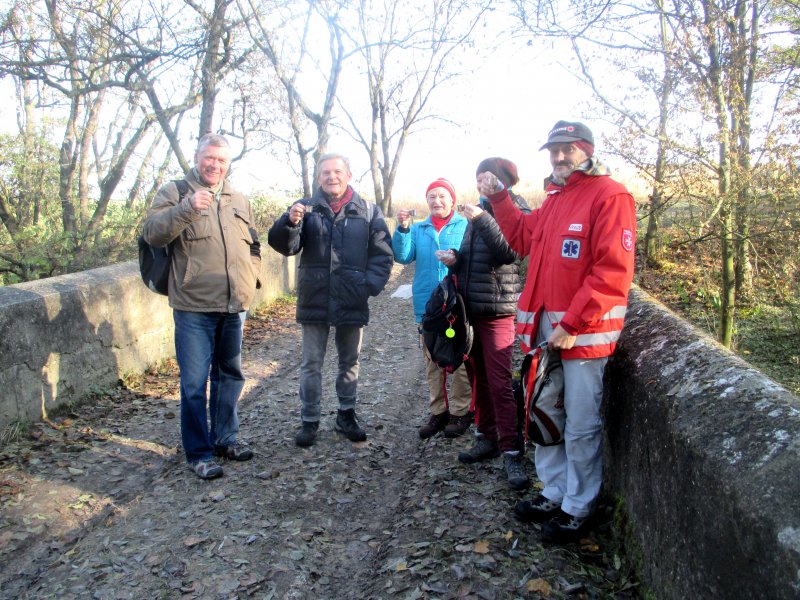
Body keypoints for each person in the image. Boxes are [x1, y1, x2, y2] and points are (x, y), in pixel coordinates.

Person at [477, 121, 636, 542]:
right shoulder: (554, 197)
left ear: (586, 150)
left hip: (584, 332)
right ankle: (554, 491)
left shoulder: (610, 195)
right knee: (544, 412)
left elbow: (611, 271)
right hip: (548, 330)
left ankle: (578, 506)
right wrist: (498, 196)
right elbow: (523, 238)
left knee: (582, 422)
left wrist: (571, 324)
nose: (560, 156)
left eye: (568, 149)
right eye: (554, 150)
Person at [143, 133, 262, 480]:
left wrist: (252, 280)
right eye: (209, 158)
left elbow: (252, 244)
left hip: (234, 304)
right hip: (193, 305)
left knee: (229, 376)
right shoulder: (176, 191)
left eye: (222, 160)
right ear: (197, 158)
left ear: (228, 164)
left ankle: (226, 439)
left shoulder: (238, 198)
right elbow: (152, 233)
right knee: (194, 383)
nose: (215, 165)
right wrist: (185, 209)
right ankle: (198, 453)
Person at [268, 153, 393, 448]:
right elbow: (286, 247)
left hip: (352, 296)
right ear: (318, 177)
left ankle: (346, 415)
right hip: (315, 296)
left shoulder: (367, 210)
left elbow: (382, 253)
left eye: (337, 171)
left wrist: (368, 286)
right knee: (311, 363)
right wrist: (290, 223)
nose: (331, 177)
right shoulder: (304, 208)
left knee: (349, 361)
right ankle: (309, 420)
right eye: (325, 173)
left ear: (349, 175)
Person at [436, 159, 529, 490]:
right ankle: (486, 436)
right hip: (471, 310)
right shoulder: (479, 213)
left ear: (503, 180)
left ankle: (512, 451)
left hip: (498, 311)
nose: (481, 183)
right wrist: (455, 259)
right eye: (478, 178)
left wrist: (483, 218)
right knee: (480, 379)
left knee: (501, 382)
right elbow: (474, 259)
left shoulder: (515, 208)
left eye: (487, 178)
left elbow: (509, 253)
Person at [392, 179, 473, 439]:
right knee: (431, 361)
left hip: (458, 305)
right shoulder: (419, 229)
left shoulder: (465, 225)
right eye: (431, 197)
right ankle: (438, 412)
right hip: (427, 306)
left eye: (442, 196)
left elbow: (473, 260)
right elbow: (403, 257)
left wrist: (457, 260)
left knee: (460, 361)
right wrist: (403, 230)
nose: (437, 201)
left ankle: (461, 412)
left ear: (452, 200)